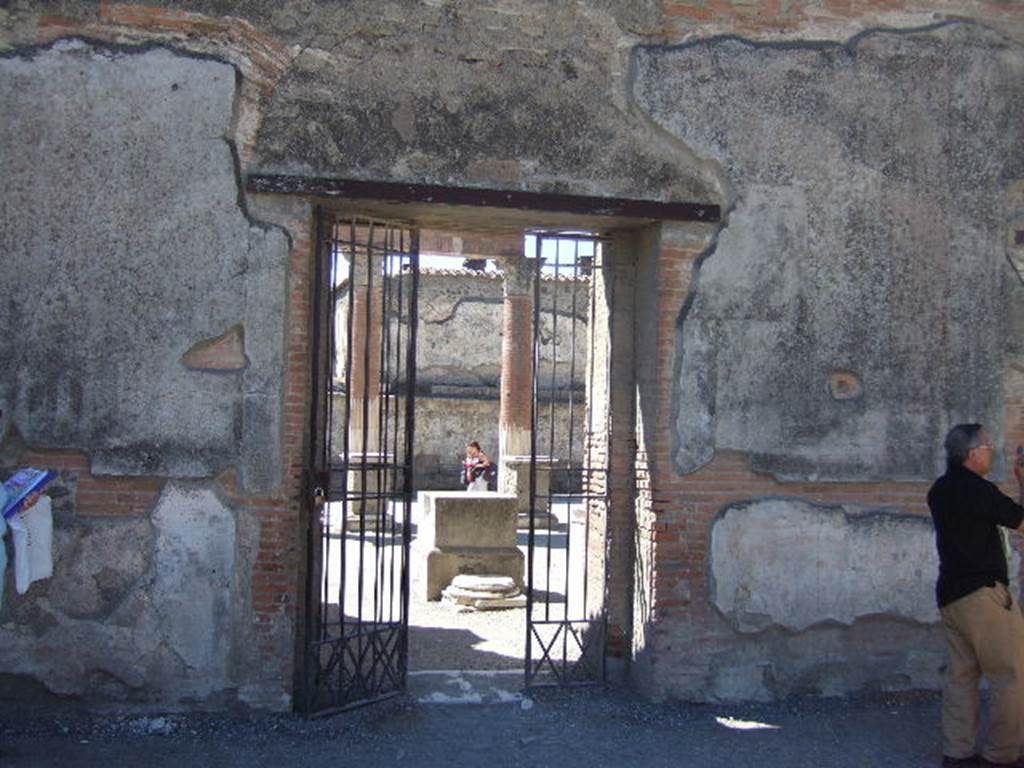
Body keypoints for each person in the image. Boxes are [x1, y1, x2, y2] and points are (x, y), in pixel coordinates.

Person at [929, 424, 1024, 767]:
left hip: (951, 595)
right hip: (984, 596)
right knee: (1011, 675)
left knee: (961, 676)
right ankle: (1002, 754)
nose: (992, 450)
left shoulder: (939, 490)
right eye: (987, 445)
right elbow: (1019, 520)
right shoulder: (978, 490)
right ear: (972, 454)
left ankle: (957, 753)